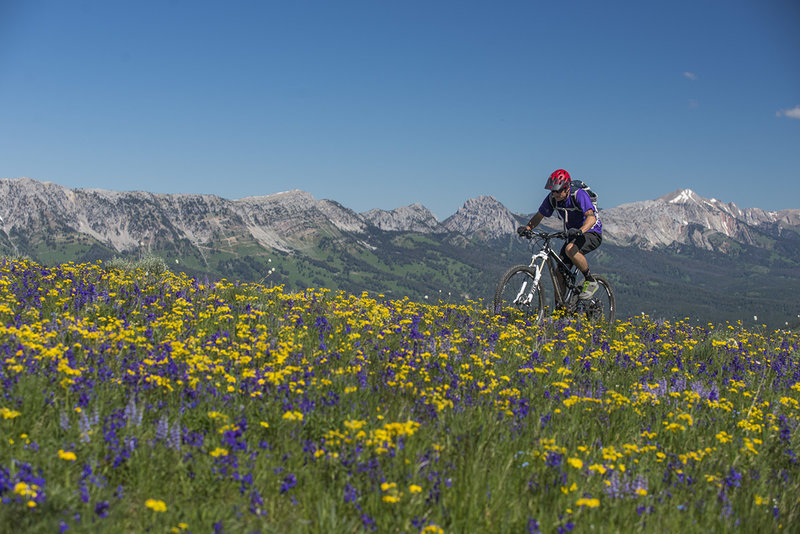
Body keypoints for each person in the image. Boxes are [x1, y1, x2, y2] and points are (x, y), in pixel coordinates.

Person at [517, 169, 602, 300]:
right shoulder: (553, 198)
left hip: (591, 231)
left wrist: (580, 231)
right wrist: (528, 227)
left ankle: (590, 280)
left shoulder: (578, 195)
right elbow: (539, 216)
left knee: (570, 249)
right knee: (559, 273)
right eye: (553, 190)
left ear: (567, 188)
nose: (555, 193)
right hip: (573, 234)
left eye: (558, 190)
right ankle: (560, 311)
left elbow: (591, 218)